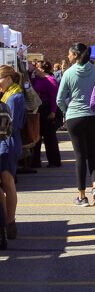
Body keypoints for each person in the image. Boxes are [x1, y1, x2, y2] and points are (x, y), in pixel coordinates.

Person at [57, 42, 95, 207]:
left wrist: (67, 110)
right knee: (92, 154)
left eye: (69, 53)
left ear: (75, 55)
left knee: (79, 156)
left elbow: (60, 99)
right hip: (94, 117)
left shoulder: (68, 73)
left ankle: (81, 196)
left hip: (75, 117)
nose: (67, 56)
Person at [0, 66, 25, 241]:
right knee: (5, 183)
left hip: (7, 142)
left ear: (9, 78)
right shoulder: (10, 95)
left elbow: (13, 125)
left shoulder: (14, 97)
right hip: (7, 141)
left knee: (7, 182)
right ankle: (7, 222)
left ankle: (9, 222)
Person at [28, 61, 61, 168]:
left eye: (37, 68)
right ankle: (35, 161)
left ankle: (54, 161)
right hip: (39, 110)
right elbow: (29, 82)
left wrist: (53, 111)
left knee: (49, 138)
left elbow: (54, 97)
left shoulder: (51, 81)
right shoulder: (38, 79)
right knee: (36, 137)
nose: (35, 70)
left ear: (42, 70)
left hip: (47, 110)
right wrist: (30, 71)